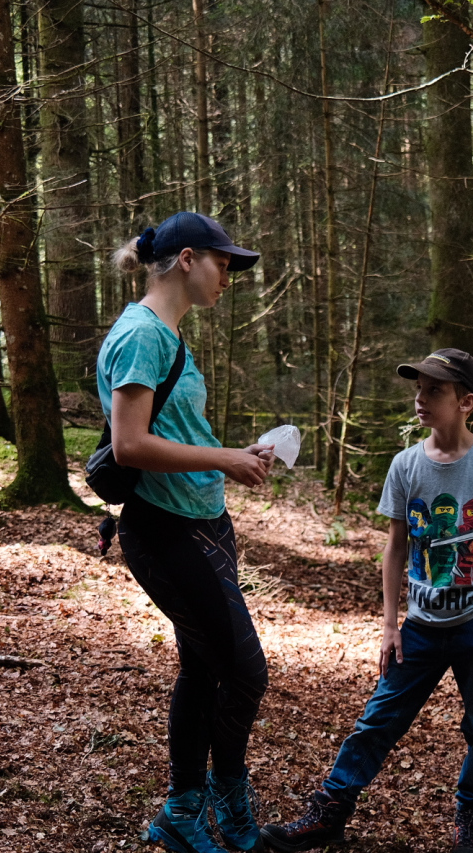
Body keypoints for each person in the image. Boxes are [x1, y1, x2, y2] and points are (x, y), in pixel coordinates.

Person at [260, 348, 473, 853]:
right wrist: (390, 625)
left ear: (467, 401)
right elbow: (395, 548)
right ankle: (330, 813)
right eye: (419, 389)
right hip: (420, 629)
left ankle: (472, 822)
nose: (421, 399)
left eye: (435, 391)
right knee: (378, 721)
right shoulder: (406, 465)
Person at [99, 211, 273, 853]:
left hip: (205, 525)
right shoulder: (142, 334)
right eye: (223, 264)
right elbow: (129, 445)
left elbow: (175, 433)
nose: (228, 277)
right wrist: (224, 459)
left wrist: (233, 455)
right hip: (165, 531)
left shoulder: (167, 335)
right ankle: (222, 796)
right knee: (245, 673)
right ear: (187, 259)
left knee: (203, 670)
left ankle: (185, 809)